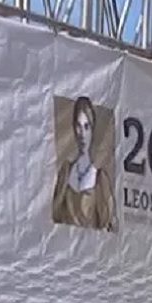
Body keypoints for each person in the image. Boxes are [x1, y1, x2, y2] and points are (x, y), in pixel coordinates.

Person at [51, 96, 115, 231]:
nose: (82, 134)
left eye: (86, 127)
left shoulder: (100, 179)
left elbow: (107, 225)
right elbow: (55, 214)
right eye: (78, 126)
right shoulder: (66, 172)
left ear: (92, 129)